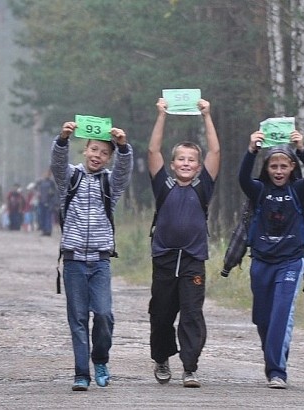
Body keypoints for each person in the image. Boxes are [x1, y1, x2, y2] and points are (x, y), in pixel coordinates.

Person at [51, 120, 133, 391]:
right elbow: (57, 163)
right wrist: (63, 139)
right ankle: (81, 374)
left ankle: (100, 358)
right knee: (77, 319)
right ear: (85, 149)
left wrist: (122, 147)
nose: (98, 156)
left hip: (100, 260)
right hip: (74, 259)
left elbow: (124, 170)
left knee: (104, 314)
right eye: (94, 150)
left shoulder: (110, 184)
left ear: (108, 158)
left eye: (104, 153)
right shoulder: (70, 179)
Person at [147, 97, 220, 388]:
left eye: (191, 160)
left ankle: (190, 367)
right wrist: (162, 115)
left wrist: (207, 115)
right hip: (164, 258)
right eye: (181, 159)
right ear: (173, 163)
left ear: (199, 165)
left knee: (192, 315)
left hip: (193, 260)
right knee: (161, 314)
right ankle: (162, 358)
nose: (186, 163)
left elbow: (216, 149)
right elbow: (153, 149)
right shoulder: (162, 184)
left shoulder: (204, 186)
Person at [238, 129, 304, 389]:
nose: (279, 171)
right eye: (274, 166)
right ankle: (273, 355)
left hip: (290, 261)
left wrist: (302, 149)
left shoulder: (298, 191)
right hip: (261, 261)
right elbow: (242, 178)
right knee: (263, 318)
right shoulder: (258, 191)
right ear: (267, 168)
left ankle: (277, 371)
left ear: (292, 167)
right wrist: (251, 150)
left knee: (281, 313)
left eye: (284, 166)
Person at [36, 169, 57, 236]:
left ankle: (48, 230)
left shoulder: (51, 183)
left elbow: (54, 192)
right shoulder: (41, 182)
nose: (46, 175)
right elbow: (37, 189)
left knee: (48, 217)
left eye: (48, 174)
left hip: (49, 202)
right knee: (42, 216)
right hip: (42, 201)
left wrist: (53, 202)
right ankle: (44, 230)